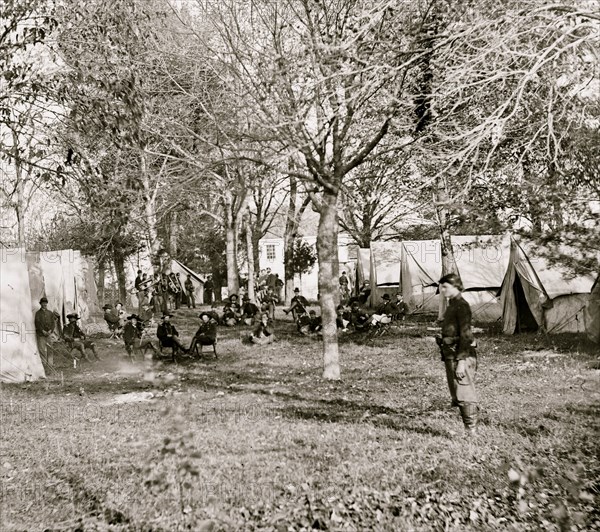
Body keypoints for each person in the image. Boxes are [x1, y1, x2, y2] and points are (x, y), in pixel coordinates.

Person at [436, 273, 479, 435]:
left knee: (464, 391)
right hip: (450, 354)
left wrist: (461, 361)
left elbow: (466, 334)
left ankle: (471, 432)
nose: (442, 290)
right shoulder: (452, 304)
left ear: (456, 286)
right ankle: (469, 430)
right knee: (457, 392)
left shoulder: (462, 305)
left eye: (446, 286)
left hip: (461, 355)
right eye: (441, 286)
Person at [35, 297, 57, 369]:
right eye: (43, 303)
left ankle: (50, 365)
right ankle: (43, 365)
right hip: (41, 334)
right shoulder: (38, 313)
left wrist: (51, 330)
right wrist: (42, 331)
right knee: (42, 350)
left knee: (50, 349)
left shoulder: (50, 313)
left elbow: (53, 323)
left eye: (45, 303)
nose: (44, 304)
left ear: (47, 304)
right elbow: (37, 323)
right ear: (40, 304)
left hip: (49, 334)